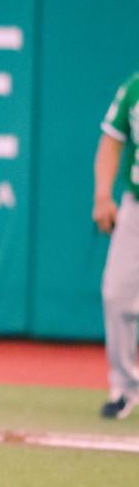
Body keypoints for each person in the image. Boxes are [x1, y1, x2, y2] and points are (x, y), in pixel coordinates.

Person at [95, 72, 139, 419]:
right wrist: (102, 196)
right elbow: (111, 140)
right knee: (117, 294)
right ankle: (125, 387)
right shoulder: (134, 87)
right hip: (136, 206)